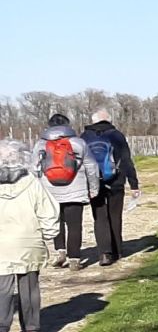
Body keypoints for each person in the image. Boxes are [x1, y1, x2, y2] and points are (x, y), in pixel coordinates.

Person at [0, 140, 59, 332]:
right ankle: (32, 330)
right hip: (29, 241)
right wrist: (49, 234)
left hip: (1, 244)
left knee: (2, 290)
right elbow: (49, 212)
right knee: (29, 288)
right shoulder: (33, 183)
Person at [32, 114, 99, 269]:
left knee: (56, 222)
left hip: (49, 191)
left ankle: (60, 253)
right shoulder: (78, 142)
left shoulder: (41, 144)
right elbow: (92, 167)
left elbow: (34, 169)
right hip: (75, 191)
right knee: (75, 225)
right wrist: (94, 188)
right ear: (67, 125)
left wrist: (37, 189)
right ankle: (74, 258)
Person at [83, 110, 139, 266]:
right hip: (116, 181)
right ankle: (117, 250)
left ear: (93, 121)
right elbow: (127, 160)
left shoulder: (85, 137)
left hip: (94, 182)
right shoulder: (117, 135)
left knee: (100, 217)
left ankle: (104, 253)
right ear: (109, 120)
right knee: (115, 215)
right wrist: (133, 183)